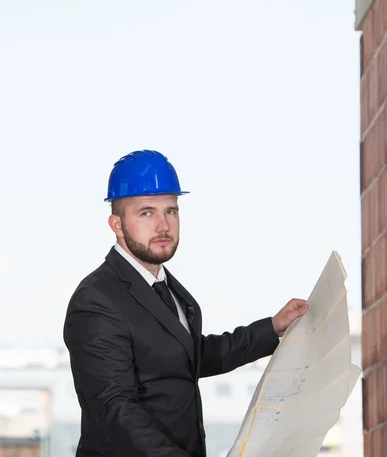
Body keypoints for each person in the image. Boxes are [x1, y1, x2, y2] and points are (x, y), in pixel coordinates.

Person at [64, 150, 308, 457]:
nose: (163, 226)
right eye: (146, 213)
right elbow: (115, 409)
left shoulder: (167, 289)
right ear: (116, 223)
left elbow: (189, 355)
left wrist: (272, 328)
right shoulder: (97, 299)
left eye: (171, 211)